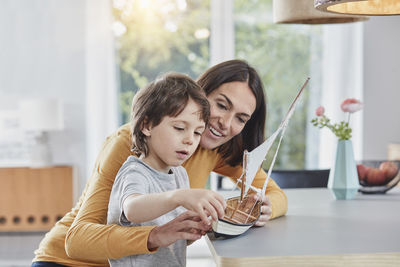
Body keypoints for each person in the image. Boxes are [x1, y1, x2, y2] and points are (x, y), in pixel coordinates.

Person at [32, 59, 288, 267]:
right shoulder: (130, 144)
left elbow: (275, 194)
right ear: (200, 96)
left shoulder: (214, 150)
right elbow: (78, 241)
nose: (226, 123)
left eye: (240, 118)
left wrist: (263, 208)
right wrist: (157, 235)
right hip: (67, 262)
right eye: (221, 105)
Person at [107, 73, 225, 267]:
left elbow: (173, 241)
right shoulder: (135, 171)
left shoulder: (179, 174)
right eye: (179, 128)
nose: (190, 140)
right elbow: (132, 209)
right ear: (147, 125)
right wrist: (179, 196)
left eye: (197, 132)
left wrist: (192, 229)